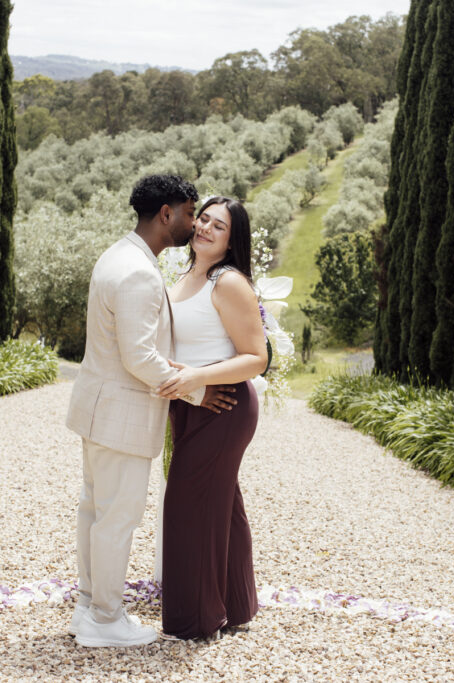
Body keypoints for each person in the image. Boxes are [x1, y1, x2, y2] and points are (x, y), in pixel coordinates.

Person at [65, 175, 235, 648]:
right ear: (166, 213)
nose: (194, 223)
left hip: (99, 411)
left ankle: (87, 606)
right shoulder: (140, 271)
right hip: (121, 416)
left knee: (95, 512)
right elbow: (139, 358)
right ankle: (105, 618)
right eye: (189, 212)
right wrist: (197, 392)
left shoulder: (117, 254)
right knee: (117, 517)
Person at [155, 196, 268, 640]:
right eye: (203, 219)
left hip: (223, 408)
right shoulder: (185, 275)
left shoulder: (229, 282)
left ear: (230, 239)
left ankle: (194, 621)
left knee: (187, 503)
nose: (204, 228)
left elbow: (257, 358)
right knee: (223, 505)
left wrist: (197, 377)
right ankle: (236, 605)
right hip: (190, 404)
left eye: (217, 226)